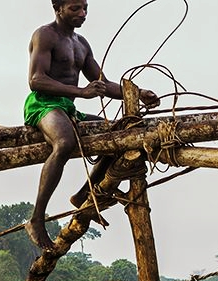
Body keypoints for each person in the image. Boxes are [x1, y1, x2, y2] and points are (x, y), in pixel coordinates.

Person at [24, 0, 159, 251]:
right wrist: (81, 91)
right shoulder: (45, 35)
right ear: (58, 8)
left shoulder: (81, 44)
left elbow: (102, 84)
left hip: (69, 109)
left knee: (121, 136)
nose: (82, 13)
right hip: (44, 105)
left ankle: (85, 195)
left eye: (85, 8)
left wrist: (139, 93)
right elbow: (36, 80)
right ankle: (36, 219)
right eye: (75, 8)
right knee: (65, 143)